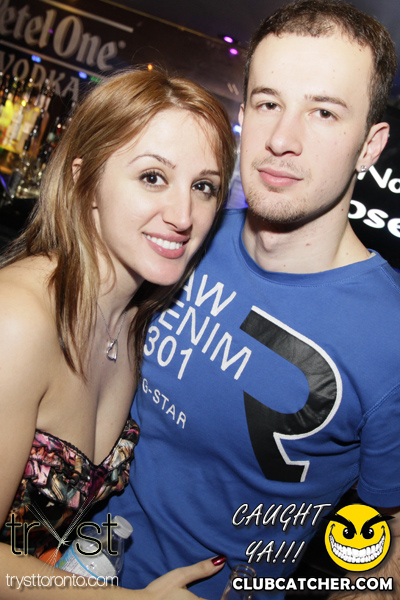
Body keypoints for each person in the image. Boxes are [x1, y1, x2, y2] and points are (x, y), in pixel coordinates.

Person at [94, 1, 400, 599]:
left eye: (324, 112)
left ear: (370, 145)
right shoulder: (179, 236)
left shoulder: (389, 338)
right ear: (243, 113)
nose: (282, 140)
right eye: (267, 103)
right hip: (66, 565)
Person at [0, 67, 236, 598]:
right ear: (85, 180)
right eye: (152, 177)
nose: (183, 215)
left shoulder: (133, 319)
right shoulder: (17, 319)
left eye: (203, 187)